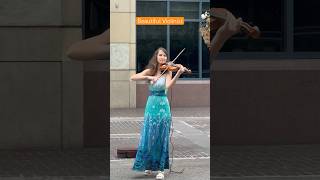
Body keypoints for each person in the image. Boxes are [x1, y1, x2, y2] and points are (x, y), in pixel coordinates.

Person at [130, 47, 186, 180]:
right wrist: (149, 76)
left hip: (163, 105)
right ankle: (148, 166)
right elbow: (133, 77)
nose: (162, 58)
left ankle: (161, 169)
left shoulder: (168, 72)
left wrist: (178, 73)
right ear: (156, 57)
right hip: (151, 105)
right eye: (160, 55)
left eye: (164, 56)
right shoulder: (151, 70)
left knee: (161, 136)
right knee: (149, 136)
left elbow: (167, 86)